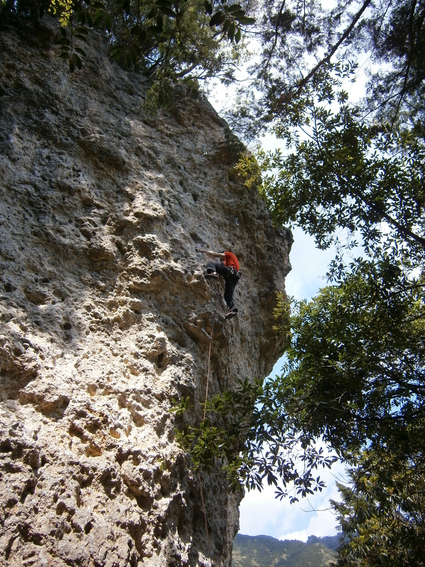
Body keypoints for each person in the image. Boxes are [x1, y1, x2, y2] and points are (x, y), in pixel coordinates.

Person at [198, 249, 241, 319]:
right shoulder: (234, 262)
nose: (222, 262)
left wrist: (204, 251)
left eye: (222, 260)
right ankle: (233, 310)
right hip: (234, 278)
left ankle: (212, 272)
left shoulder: (228, 254)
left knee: (211, 264)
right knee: (228, 296)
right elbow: (222, 269)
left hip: (231, 272)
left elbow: (215, 254)